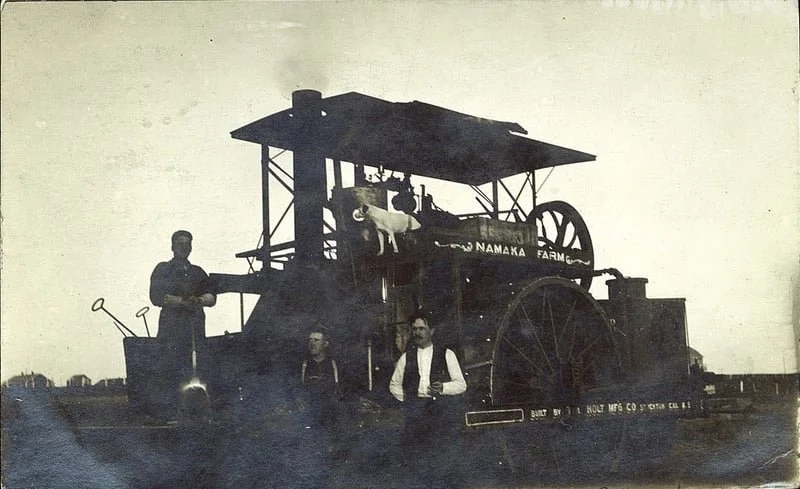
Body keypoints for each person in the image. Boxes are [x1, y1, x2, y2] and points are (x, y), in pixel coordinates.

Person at [148, 230, 216, 417]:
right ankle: (168, 412)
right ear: (172, 246)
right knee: (169, 364)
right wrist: (180, 302)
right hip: (172, 326)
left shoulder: (198, 272)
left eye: (187, 244)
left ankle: (197, 411)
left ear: (191, 247)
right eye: (179, 243)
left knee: (196, 366)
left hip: (195, 326)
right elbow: (155, 296)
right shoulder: (162, 269)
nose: (183, 247)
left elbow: (211, 296)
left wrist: (199, 301)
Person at [389, 312, 466, 443]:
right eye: (414, 329)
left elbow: (461, 385)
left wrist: (443, 387)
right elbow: (394, 385)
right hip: (415, 416)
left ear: (432, 331)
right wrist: (409, 398)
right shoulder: (406, 357)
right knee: (415, 452)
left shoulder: (447, 354)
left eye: (422, 329)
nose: (417, 333)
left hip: (440, 414)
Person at [299, 329, 341, 429]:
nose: (312, 344)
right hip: (308, 417)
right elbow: (294, 387)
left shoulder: (335, 365)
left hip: (332, 419)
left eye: (316, 340)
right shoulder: (303, 365)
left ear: (325, 344)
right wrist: (298, 398)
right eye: (310, 340)